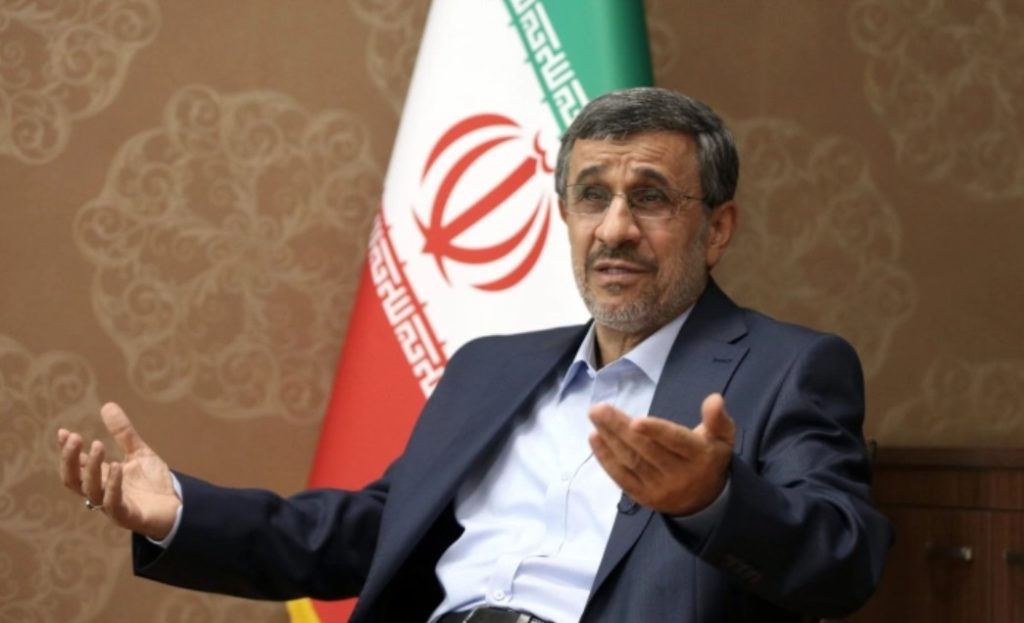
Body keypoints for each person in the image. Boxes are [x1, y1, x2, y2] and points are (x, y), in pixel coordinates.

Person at [58, 87, 892, 623]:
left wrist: (714, 499)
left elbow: (845, 561)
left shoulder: (790, 367)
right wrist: (179, 512)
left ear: (716, 229)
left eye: (650, 198)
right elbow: (365, 532)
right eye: (591, 196)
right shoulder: (490, 367)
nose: (615, 229)